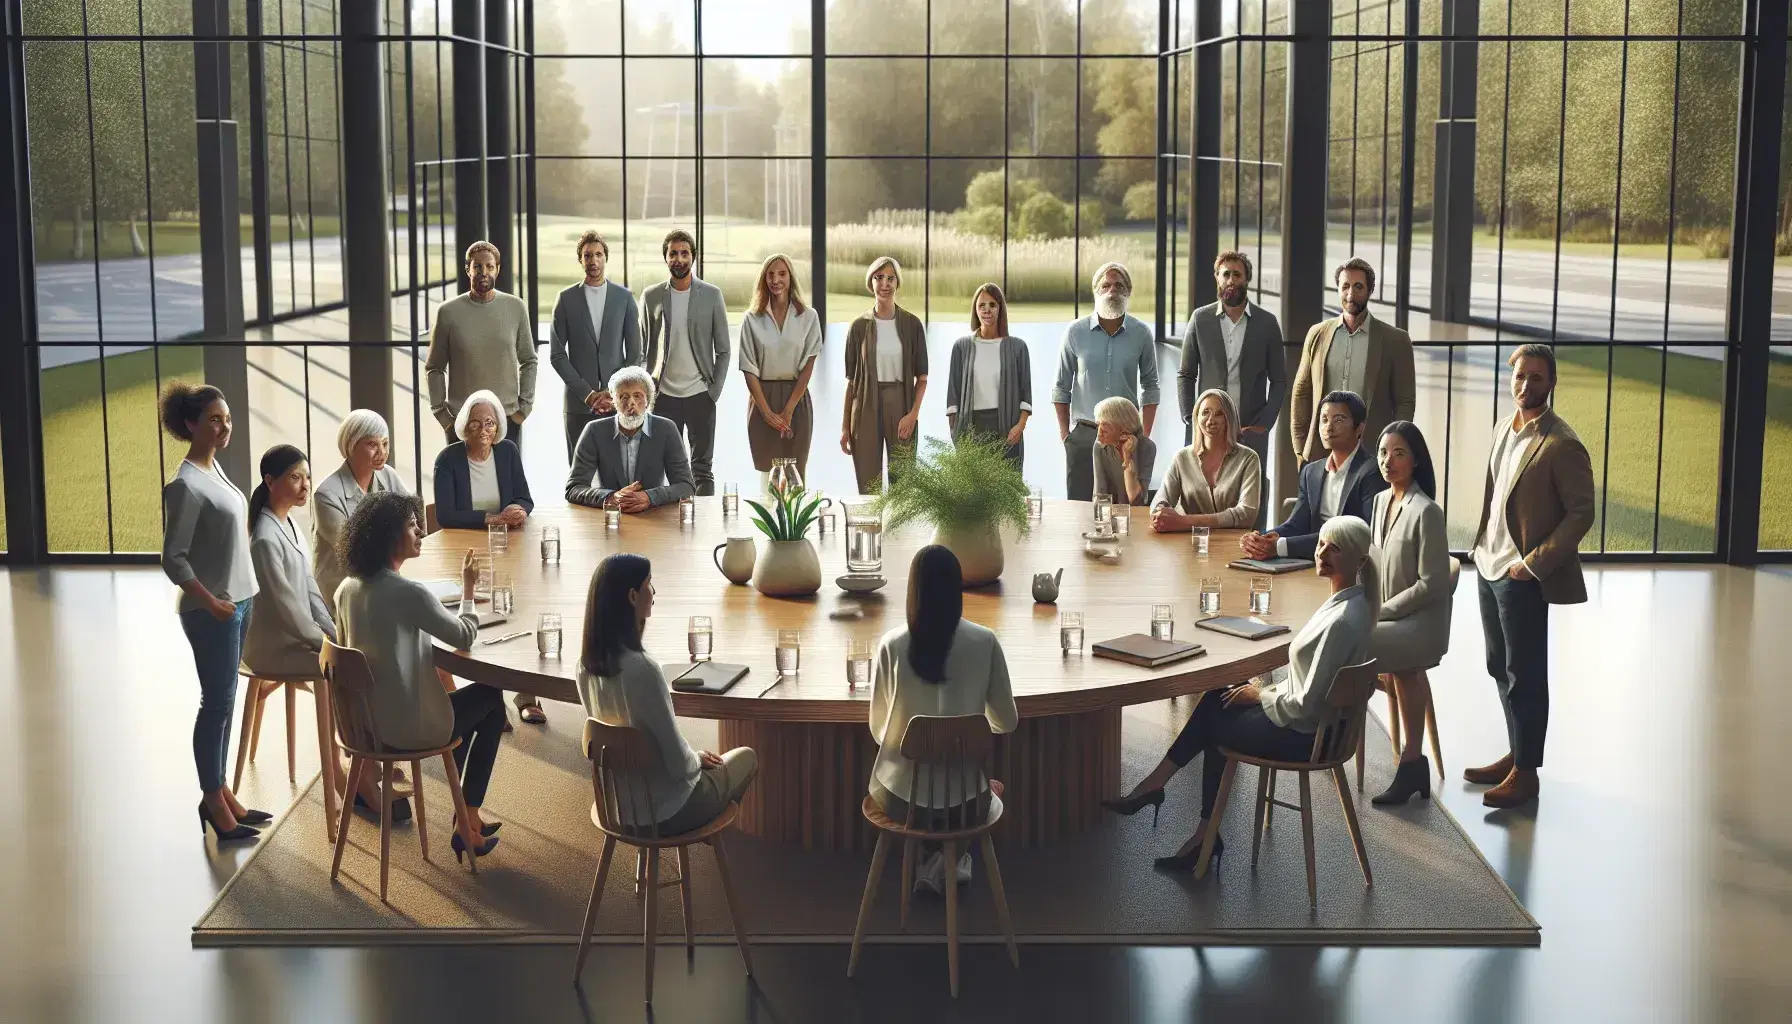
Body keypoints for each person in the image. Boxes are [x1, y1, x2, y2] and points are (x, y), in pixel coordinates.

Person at [1104, 515, 1377, 870]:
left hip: (1305, 735)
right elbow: (1309, 685)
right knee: (1220, 697)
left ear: (1358, 561)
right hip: (1312, 724)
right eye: (1322, 543)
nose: (1322, 552)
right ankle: (1187, 820)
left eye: (1335, 549)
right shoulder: (1348, 605)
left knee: (1215, 720)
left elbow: (1306, 702)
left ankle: (1168, 801)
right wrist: (1259, 690)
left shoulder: (1341, 620)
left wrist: (1258, 696)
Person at [333, 491, 504, 861]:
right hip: (405, 728)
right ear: (390, 535)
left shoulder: (346, 588)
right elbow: (464, 635)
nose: (420, 532)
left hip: (363, 725)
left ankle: (466, 815)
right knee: (492, 700)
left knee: (477, 705)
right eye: (412, 526)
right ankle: (466, 815)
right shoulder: (409, 593)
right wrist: (469, 588)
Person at [1466, 344, 1594, 808]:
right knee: (1498, 666)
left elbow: (1582, 514)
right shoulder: (1505, 426)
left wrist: (1534, 563)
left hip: (1521, 573)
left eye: (1535, 378)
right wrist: (1481, 547)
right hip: (1488, 563)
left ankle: (1527, 773)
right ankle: (1517, 754)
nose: (1525, 385)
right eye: (1519, 376)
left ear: (1552, 383)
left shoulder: (1562, 443)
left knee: (1526, 674)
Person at [869, 546, 1018, 893]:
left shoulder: (891, 644)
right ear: (958, 589)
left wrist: (925, 744)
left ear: (912, 591)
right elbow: (1007, 721)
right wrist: (964, 736)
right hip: (965, 805)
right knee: (984, 790)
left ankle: (933, 862)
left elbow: (879, 731)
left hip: (901, 802)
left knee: (922, 793)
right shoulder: (985, 642)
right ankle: (947, 863)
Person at [577, 553, 758, 836]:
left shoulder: (584, 667)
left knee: (708, 767)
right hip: (664, 812)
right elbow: (678, 764)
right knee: (746, 756)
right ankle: (708, 827)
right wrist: (697, 758)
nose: (654, 591)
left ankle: (707, 821)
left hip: (616, 809)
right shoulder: (643, 670)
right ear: (633, 596)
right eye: (649, 583)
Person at [159, 382, 266, 843]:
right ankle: (212, 801)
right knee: (216, 704)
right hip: (213, 611)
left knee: (226, 702)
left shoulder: (215, 468)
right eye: (213, 420)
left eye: (225, 418)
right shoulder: (185, 485)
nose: (223, 427)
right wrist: (211, 601)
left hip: (240, 601)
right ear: (190, 425)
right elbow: (172, 558)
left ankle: (222, 792)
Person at [433, 390, 543, 725]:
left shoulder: (507, 452)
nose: (484, 429)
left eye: (491, 423)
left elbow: (525, 499)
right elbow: (446, 515)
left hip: (507, 547)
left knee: (519, 611)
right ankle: (491, 700)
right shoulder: (449, 459)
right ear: (464, 426)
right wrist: (490, 518)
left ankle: (527, 694)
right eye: (477, 423)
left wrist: (517, 510)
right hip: (464, 550)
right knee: (486, 619)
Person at [1364, 421, 1453, 806]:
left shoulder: (1427, 512)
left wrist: (1382, 612)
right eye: (1383, 452)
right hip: (1390, 612)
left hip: (1421, 621)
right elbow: (1374, 562)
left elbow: (1431, 584)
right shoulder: (1380, 502)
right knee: (1360, 639)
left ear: (1416, 460)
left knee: (1356, 641)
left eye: (1399, 453)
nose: (1388, 460)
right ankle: (1414, 764)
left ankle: (1410, 759)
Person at [1176, 250, 1287, 527]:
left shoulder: (1267, 323)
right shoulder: (1200, 319)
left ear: (1247, 278)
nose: (1231, 280)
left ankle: (1255, 551)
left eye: (1237, 274)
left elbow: (1280, 380)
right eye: (1226, 274)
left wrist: (1264, 425)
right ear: (1217, 278)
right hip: (1207, 428)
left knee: (1251, 497)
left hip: (1250, 428)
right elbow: (1186, 374)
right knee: (1202, 489)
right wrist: (1191, 420)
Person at [1289, 257, 1414, 465]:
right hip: (1321, 451)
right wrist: (1300, 447)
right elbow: (1301, 392)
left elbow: (1405, 402)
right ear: (1337, 288)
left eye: (1358, 287)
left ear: (1370, 290)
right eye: (1345, 286)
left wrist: (1393, 450)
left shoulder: (1395, 340)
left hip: (1371, 453)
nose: (1350, 294)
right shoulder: (1317, 334)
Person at [1053, 262, 1160, 501]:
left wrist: (1143, 436)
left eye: (1119, 285)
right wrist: (1066, 435)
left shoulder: (1141, 334)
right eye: (1106, 285)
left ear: (1128, 292)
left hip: (1125, 438)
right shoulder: (1074, 332)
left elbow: (1151, 387)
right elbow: (1061, 388)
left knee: (1125, 507)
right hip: (1083, 435)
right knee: (1079, 507)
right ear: (1097, 291)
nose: (1113, 289)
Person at [1240, 391, 1385, 561]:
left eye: (1338, 420)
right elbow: (1296, 525)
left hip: (1349, 565)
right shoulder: (1311, 471)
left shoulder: (1372, 471)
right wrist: (1260, 539)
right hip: (1311, 562)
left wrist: (1278, 547)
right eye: (1324, 420)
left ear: (1359, 428)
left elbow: (1356, 534)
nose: (1328, 427)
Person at [426, 240, 539, 450]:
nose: (483, 271)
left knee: (505, 483)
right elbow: (434, 367)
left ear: (497, 269)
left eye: (489, 266)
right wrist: (444, 416)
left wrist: (523, 410)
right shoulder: (448, 312)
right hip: (463, 422)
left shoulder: (515, 307)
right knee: (463, 483)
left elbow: (529, 360)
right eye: (477, 266)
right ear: (467, 269)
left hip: (506, 421)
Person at [641, 229, 730, 495]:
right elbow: (642, 349)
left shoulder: (712, 295)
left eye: (684, 253)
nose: (678, 259)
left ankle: (704, 530)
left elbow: (724, 350)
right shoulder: (651, 296)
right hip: (663, 396)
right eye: (673, 254)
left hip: (700, 395)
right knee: (662, 467)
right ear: (665, 258)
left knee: (702, 468)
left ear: (693, 257)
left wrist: (713, 392)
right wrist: (648, 391)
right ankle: (667, 531)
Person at [243, 445, 336, 677]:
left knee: (352, 656)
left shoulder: (290, 524)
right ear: (270, 482)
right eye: (295, 477)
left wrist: (333, 633)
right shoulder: (265, 540)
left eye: (308, 477)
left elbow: (310, 587)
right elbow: (286, 608)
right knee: (347, 665)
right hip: (272, 649)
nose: (305, 485)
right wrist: (324, 643)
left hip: (298, 640)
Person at [549, 230, 642, 460]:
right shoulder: (566, 299)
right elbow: (557, 355)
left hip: (617, 404)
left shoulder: (624, 298)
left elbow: (634, 354)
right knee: (579, 476)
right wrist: (588, 395)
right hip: (578, 405)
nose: (593, 260)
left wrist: (614, 393)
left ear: (605, 258)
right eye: (587, 255)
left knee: (617, 472)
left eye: (598, 254)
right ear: (581, 260)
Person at [842, 257, 929, 493]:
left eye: (890, 278)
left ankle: (898, 531)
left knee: (903, 485)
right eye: (879, 277)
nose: (885, 283)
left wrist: (913, 415)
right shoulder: (858, 326)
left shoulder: (912, 324)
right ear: (871, 282)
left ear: (897, 283)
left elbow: (922, 379)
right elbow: (851, 382)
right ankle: (871, 530)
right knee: (868, 484)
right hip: (864, 407)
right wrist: (844, 428)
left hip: (900, 404)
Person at [313, 409, 410, 618]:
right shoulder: (326, 495)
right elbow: (354, 550)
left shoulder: (388, 475)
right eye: (372, 444)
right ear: (350, 446)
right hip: (343, 597)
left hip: (383, 582)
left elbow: (413, 519)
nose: (382, 452)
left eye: (385, 443)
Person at [738, 253, 822, 487]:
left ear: (790, 277)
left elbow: (808, 366)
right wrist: (766, 413)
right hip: (762, 398)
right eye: (771, 274)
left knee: (796, 477)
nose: (776, 280)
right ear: (764, 279)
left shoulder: (809, 316)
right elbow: (748, 369)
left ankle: (795, 523)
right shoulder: (752, 318)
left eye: (782, 274)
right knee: (769, 478)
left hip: (797, 399)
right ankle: (769, 521)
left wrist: (788, 411)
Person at [565, 366, 696, 512]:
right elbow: (574, 488)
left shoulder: (666, 429)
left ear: (648, 400)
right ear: (614, 402)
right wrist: (611, 497)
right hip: (609, 516)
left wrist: (649, 497)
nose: (631, 403)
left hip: (653, 517)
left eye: (637, 396)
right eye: (624, 397)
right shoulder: (594, 430)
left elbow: (686, 486)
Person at [945, 282, 1030, 468]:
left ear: (1000, 308)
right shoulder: (961, 347)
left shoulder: (1018, 347)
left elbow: (1026, 394)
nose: (987, 310)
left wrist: (1019, 427)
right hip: (971, 428)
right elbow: (953, 394)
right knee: (971, 492)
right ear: (975, 310)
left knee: (1008, 489)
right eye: (981, 305)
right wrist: (955, 433)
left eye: (992, 305)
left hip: (1007, 428)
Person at [1151, 389, 1260, 533]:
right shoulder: (1181, 458)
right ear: (1196, 417)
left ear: (1230, 419)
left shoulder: (1249, 458)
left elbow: (1246, 514)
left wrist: (1183, 522)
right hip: (1190, 543)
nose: (1210, 420)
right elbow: (1160, 501)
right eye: (1205, 412)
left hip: (1235, 543)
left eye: (1219, 414)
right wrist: (1161, 514)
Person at [1091, 396, 1155, 506]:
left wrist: (1127, 457)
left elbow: (1136, 500)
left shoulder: (1147, 447)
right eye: (1098, 425)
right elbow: (1100, 496)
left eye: (1105, 426)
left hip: (1136, 515)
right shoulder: (1100, 448)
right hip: (1110, 513)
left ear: (1124, 428)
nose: (1099, 433)